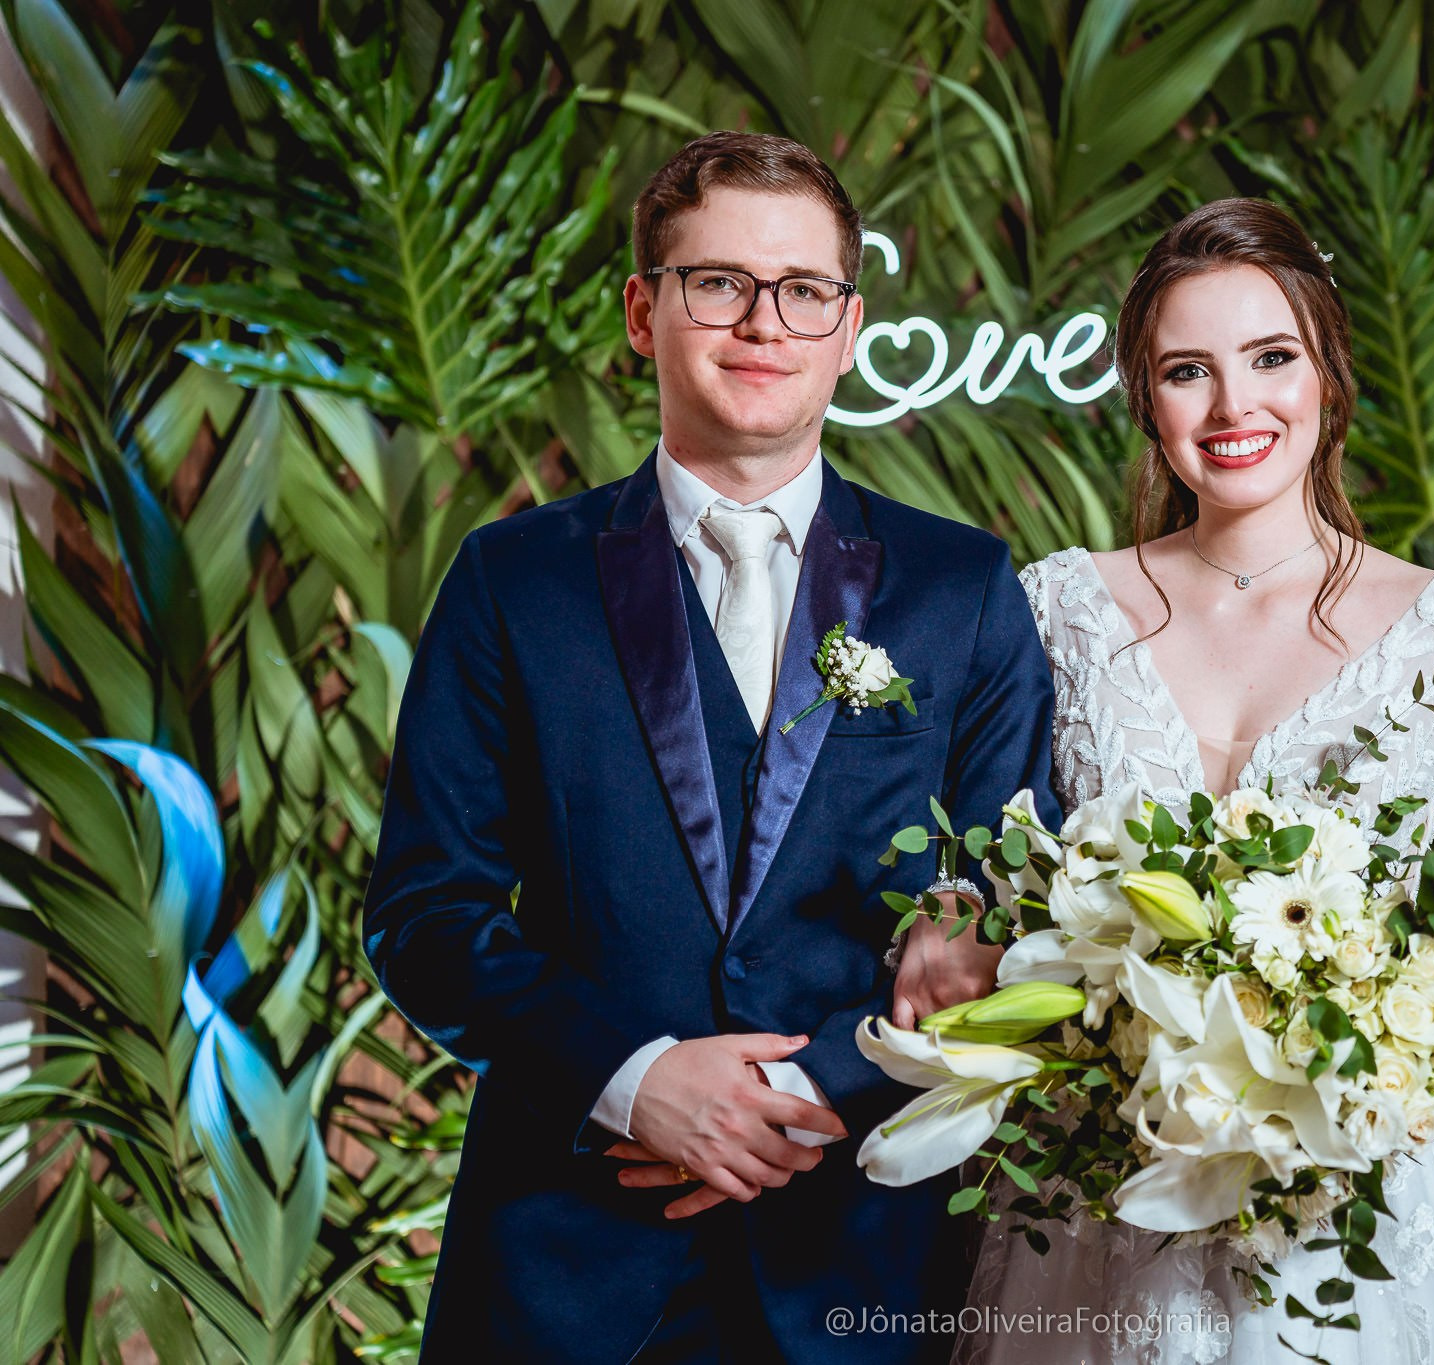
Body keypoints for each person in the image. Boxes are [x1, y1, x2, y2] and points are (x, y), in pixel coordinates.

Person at [363, 130, 1056, 1363]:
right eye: (717, 283)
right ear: (644, 310)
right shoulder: (511, 582)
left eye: (803, 291)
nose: (762, 324)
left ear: (848, 328)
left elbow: (1017, 914)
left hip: (861, 1268)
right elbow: (426, 912)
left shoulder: (963, 589)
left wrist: (810, 1093)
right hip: (561, 1269)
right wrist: (632, 1080)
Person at [949, 198, 1434, 1363]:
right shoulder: (1060, 609)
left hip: (1358, 1201)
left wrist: (1344, 1057)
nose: (1234, 408)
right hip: (1108, 1194)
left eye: (1270, 358)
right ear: (1145, 399)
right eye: (1188, 371)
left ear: (1327, 370)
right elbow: (997, 879)